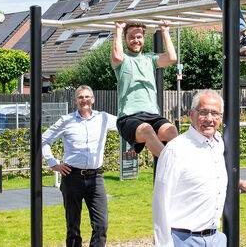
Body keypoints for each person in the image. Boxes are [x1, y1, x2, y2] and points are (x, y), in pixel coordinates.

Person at [153, 91, 246, 247]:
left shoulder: (218, 143)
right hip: (183, 240)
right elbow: (160, 202)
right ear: (191, 114)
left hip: (215, 239)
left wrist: (238, 183)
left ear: (221, 118)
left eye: (215, 113)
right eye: (203, 112)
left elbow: (210, 176)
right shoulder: (175, 150)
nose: (209, 119)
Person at [42, 85, 119, 247]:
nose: (84, 100)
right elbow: (43, 141)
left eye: (87, 97)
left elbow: (124, 123)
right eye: (80, 97)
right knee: (73, 225)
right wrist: (53, 163)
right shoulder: (66, 120)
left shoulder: (103, 118)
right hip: (72, 177)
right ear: (75, 100)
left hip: (96, 177)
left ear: (93, 99)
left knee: (101, 224)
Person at [112, 20, 178, 157]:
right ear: (125, 39)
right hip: (128, 117)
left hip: (152, 114)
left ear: (143, 38)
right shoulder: (123, 60)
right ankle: (172, 164)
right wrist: (118, 29)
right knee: (147, 130)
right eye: (131, 37)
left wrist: (165, 31)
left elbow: (172, 58)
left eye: (139, 37)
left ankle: (173, 167)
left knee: (172, 131)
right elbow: (117, 56)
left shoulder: (150, 59)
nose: (135, 40)